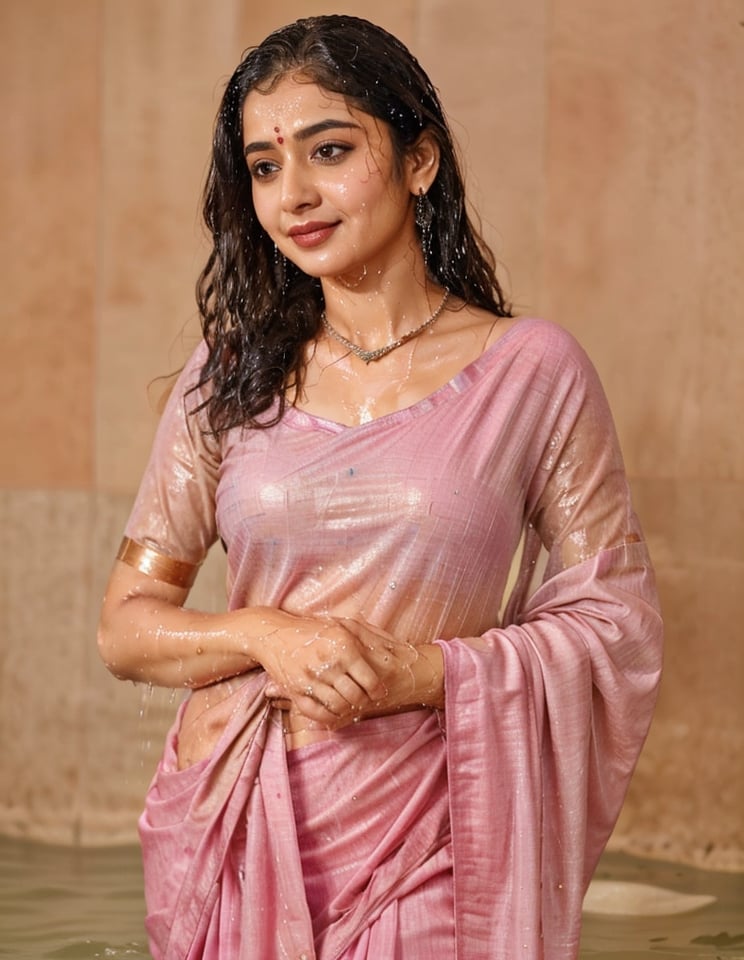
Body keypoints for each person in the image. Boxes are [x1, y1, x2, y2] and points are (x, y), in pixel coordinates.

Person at [97, 14, 663, 960]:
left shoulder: (531, 370)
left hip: (432, 834)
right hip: (236, 825)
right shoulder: (226, 379)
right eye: (265, 166)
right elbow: (125, 626)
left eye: (329, 150)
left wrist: (426, 673)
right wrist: (266, 635)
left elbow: (617, 622)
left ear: (419, 161)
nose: (295, 196)